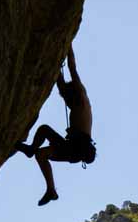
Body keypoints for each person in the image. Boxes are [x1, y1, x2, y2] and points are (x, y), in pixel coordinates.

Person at [13, 44, 97, 205]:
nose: (66, 102)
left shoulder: (81, 96)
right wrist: (56, 66)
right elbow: (60, 83)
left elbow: (72, 66)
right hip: (73, 148)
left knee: (42, 151)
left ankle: (50, 188)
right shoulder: (76, 100)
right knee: (43, 134)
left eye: (67, 99)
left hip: (77, 148)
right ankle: (33, 154)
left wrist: (67, 44)